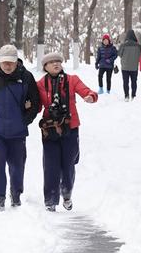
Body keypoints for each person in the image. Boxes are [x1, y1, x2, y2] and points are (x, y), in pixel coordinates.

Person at [0, 43, 40, 210]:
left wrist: (26, 120)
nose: (8, 65)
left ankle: (16, 194)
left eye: (11, 62)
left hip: (18, 132)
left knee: (17, 165)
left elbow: (36, 102)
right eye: (5, 62)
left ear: (17, 61)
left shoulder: (26, 77)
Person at [36, 51, 97, 212]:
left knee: (68, 164)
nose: (56, 64)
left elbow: (87, 91)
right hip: (50, 130)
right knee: (50, 166)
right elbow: (37, 106)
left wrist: (90, 96)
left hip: (70, 129)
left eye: (58, 61)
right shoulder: (41, 84)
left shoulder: (71, 80)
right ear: (45, 67)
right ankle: (50, 200)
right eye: (52, 62)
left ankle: (67, 193)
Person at [118, 28, 141, 100]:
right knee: (134, 82)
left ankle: (126, 96)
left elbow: (119, 54)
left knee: (125, 82)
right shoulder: (138, 45)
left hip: (125, 67)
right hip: (134, 67)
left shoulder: (123, 45)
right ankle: (133, 96)